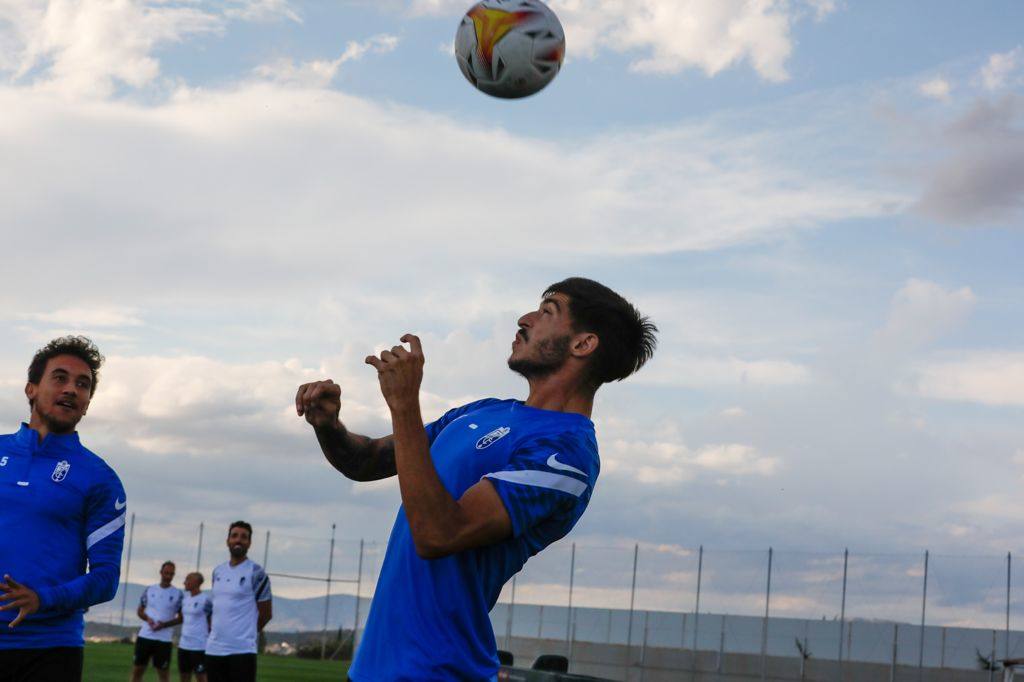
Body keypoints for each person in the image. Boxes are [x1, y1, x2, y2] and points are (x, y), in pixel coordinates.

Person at [296, 277, 657, 680]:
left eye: (547, 312)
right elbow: (365, 462)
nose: (525, 319)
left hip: (440, 672)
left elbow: (438, 535)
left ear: (583, 344)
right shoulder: (482, 411)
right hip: (371, 670)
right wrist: (328, 425)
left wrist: (404, 405)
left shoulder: (566, 454)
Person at [0, 336, 127, 682]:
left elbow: (105, 578)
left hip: (49, 650)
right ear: (31, 389)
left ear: (87, 405)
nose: (71, 389)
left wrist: (42, 599)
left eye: (82, 384)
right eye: (60, 378)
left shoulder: (100, 479)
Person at [204, 521, 272, 682]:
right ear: (228, 541)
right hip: (214, 650)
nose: (238, 540)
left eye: (243, 537)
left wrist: (245, 634)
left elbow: (266, 614)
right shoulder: (218, 571)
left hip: (242, 651)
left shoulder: (256, 573)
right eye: (234, 536)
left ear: (249, 543)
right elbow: (218, 607)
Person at [132, 561, 184, 682]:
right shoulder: (150, 590)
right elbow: (140, 611)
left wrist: (164, 625)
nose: (168, 576)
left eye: (171, 574)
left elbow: (181, 618)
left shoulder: (178, 594)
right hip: (145, 636)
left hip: (164, 639)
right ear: (161, 572)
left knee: (163, 676)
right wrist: (148, 619)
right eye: (166, 573)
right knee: (137, 672)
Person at [178, 572, 212, 682]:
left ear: (196, 582)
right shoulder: (185, 600)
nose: (184, 582)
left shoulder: (206, 600)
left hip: (199, 646)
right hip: (183, 646)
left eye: (187, 580)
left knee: (201, 678)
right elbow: (182, 619)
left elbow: (212, 622)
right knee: (184, 678)